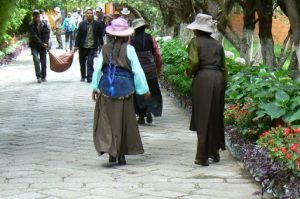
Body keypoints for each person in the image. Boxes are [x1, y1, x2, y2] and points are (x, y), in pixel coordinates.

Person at [91, 17, 150, 165]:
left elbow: (98, 69)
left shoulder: (104, 48)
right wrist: (144, 89)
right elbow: (137, 71)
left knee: (108, 121)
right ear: (126, 35)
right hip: (126, 89)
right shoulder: (129, 49)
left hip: (106, 88)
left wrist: (94, 87)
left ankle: (112, 152)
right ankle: (122, 154)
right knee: (124, 121)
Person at [184, 13, 228, 166]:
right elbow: (224, 67)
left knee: (203, 116)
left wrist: (188, 72)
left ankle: (202, 155)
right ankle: (214, 152)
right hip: (218, 78)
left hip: (203, 78)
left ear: (197, 29)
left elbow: (194, 61)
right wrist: (224, 84)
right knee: (215, 115)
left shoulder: (195, 42)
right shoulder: (217, 44)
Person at [131, 18, 163, 124]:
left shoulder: (131, 39)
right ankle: (149, 111)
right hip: (150, 69)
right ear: (144, 27)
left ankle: (141, 115)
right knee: (151, 89)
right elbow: (157, 54)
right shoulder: (150, 38)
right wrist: (158, 68)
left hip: (137, 70)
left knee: (138, 92)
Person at [74, 8, 104, 83]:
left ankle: (90, 77)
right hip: (82, 46)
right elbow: (78, 36)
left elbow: (100, 35)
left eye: (91, 13)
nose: (89, 14)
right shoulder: (82, 24)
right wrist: (76, 46)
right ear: (86, 14)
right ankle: (83, 76)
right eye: (88, 13)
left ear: (92, 14)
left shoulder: (97, 24)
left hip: (92, 46)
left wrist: (102, 44)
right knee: (82, 62)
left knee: (90, 62)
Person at [28, 9, 50, 83]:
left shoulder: (44, 23)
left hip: (43, 45)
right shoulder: (31, 24)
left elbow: (47, 33)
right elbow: (34, 36)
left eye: (38, 15)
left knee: (43, 62)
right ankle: (38, 76)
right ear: (33, 16)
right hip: (34, 45)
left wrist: (46, 43)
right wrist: (42, 44)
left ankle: (43, 76)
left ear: (40, 15)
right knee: (36, 60)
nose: (37, 16)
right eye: (35, 15)